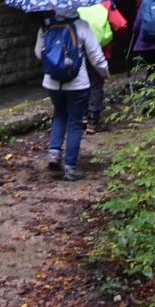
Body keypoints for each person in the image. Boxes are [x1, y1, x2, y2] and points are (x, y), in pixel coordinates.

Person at [35, 10, 109, 181]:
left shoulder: (46, 25)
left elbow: (39, 53)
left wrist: (55, 61)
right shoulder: (81, 26)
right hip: (77, 83)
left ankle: (54, 153)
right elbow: (95, 56)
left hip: (52, 82)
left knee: (60, 114)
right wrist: (104, 73)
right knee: (75, 123)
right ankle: (70, 168)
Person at [78, 0, 128, 134]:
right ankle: (93, 121)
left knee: (82, 83)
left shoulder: (75, 2)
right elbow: (120, 24)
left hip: (78, 51)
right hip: (100, 50)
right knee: (96, 84)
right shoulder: (105, 1)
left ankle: (82, 116)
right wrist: (118, 35)